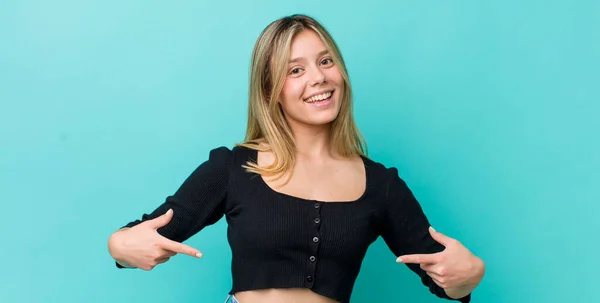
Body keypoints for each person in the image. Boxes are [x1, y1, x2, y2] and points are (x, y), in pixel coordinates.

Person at [107, 14, 485, 303]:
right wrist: (120, 246)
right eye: (296, 70)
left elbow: (445, 277)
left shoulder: (382, 186)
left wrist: (468, 277)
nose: (318, 78)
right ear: (271, 90)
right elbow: (140, 237)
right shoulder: (232, 169)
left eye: (326, 61)